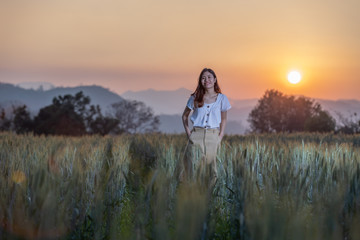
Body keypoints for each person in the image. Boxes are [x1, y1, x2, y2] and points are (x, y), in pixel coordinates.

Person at [181, 68, 231, 185]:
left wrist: (221, 135)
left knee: (211, 170)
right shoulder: (194, 98)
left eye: (209, 77)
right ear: (200, 81)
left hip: (213, 136)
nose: (206, 80)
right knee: (191, 166)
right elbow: (184, 116)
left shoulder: (222, 99)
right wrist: (189, 133)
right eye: (203, 78)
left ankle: (208, 198)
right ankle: (191, 195)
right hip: (196, 135)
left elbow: (224, 118)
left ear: (215, 80)